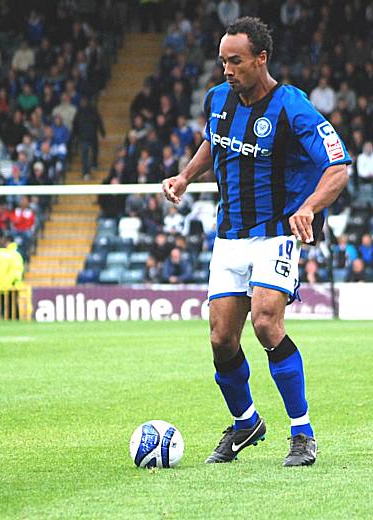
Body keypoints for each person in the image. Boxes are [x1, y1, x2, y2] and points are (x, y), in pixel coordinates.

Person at [162, 17, 350, 467]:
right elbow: (214, 141)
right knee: (221, 340)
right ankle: (246, 421)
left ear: (261, 58)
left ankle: (302, 433)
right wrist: (186, 176)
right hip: (229, 237)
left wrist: (307, 207)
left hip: (276, 234)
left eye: (236, 61)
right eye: (223, 60)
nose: (227, 69)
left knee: (266, 324)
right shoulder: (218, 99)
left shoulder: (292, 106)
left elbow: (338, 165)